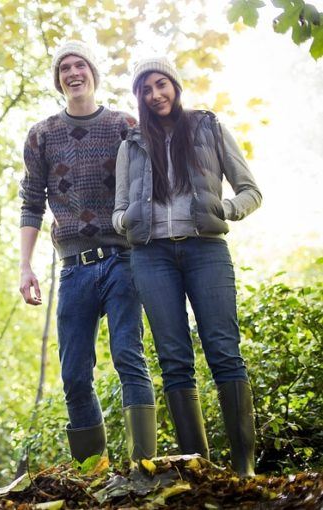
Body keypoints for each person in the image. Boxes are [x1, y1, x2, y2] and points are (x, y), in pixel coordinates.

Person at [112, 57, 262, 476]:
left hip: (206, 251)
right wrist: (125, 222)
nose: (156, 94)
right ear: (139, 97)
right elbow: (118, 209)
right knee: (174, 359)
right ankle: (200, 469)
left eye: (162, 84)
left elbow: (251, 190)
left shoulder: (208, 128)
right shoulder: (131, 143)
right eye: (146, 89)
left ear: (175, 86)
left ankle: (244, 467)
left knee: (224, 352)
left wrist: (226, 208)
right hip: (151, 256)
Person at [19, 40, 156, 465]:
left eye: (80, 66)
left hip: (122, 260)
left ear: (93, 74)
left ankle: (142, 466)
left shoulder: (123, 125)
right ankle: (93, 474)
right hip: (74, 269)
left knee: (127, 356)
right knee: (74, 374)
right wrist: (25, 266)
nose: (73, 73)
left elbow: (149, 185)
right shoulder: (41, 135)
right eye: (65, 69)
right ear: (59, 81)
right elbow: (30, 201)